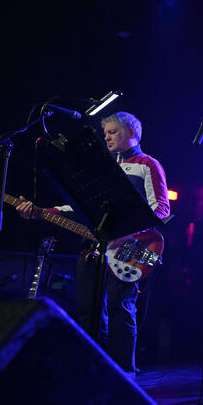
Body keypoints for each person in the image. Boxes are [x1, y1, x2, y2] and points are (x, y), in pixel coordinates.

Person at [16, 111, 169, 376]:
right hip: (93, 250)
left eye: (113, 132)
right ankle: (90, 371)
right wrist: (40, 210)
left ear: (132, 133)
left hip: (127, 250)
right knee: (87, 310)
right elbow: (74, 206)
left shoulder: (148, 164)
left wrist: (126, 234)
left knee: (120, 308)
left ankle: (124, 373)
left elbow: (161, 210)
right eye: (105, 132)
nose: (106, 137)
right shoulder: (100, 167)